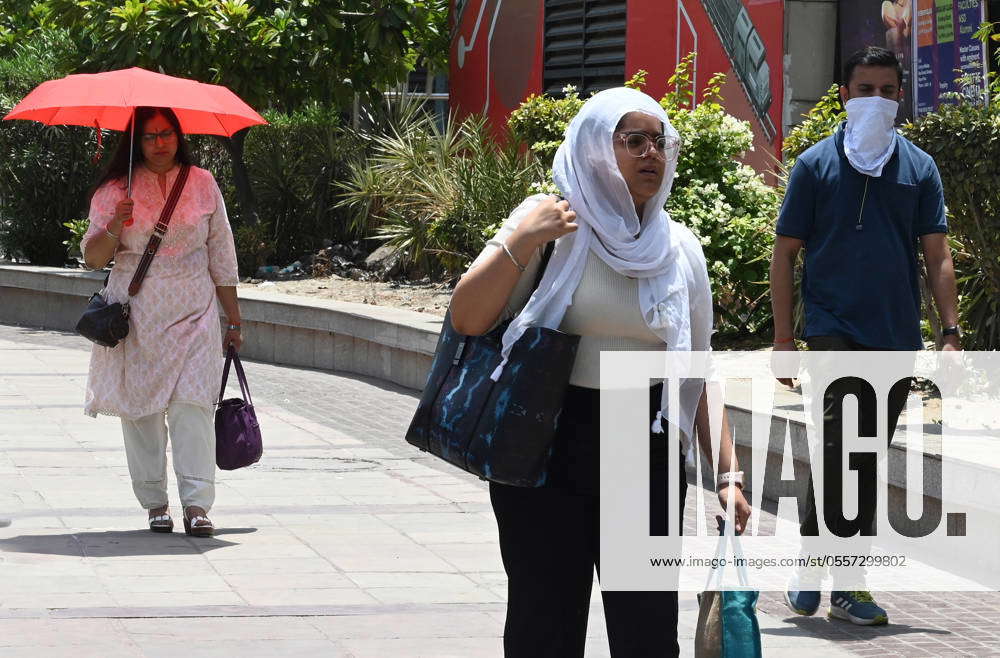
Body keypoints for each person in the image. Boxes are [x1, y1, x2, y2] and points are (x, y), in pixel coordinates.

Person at [450, 87, 751, 657]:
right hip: (546, 437)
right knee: (545, 619)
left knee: (646, 626)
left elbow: (695, 369)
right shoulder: (548, 224)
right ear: (593, 149)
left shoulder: (678, 248)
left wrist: (728, 474)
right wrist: (521, 238)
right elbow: (467, 316)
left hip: (643, 442)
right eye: (632, 140)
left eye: (659, 141)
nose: (650, 153)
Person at [771, 46, 959, 625]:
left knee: (858, 455)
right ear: (844, 96)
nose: (875, 100)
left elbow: (937, 253)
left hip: (895, 336)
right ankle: (850, 585)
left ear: (899, 98)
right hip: (832, 332)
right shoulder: (814, 165)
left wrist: (949, 331)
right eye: (864, 89)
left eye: (886, 90)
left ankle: (809, 567)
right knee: (839, 449)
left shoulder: (919, 167)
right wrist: (783, 338)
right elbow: (784, 255)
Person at [81, 107, 241, 538]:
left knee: (193, 407)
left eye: (166, 134)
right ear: (136, 142)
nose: (159, 143)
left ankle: (197, 504)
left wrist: (234, 319)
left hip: (196, 311)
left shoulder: (203, 183)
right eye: (149, 136)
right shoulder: (116, 189)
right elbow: (93, 257)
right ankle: (154, 502)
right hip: (137, 317)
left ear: (178, 136)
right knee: (142, 413)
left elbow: (221, 254)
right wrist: (116, 221)